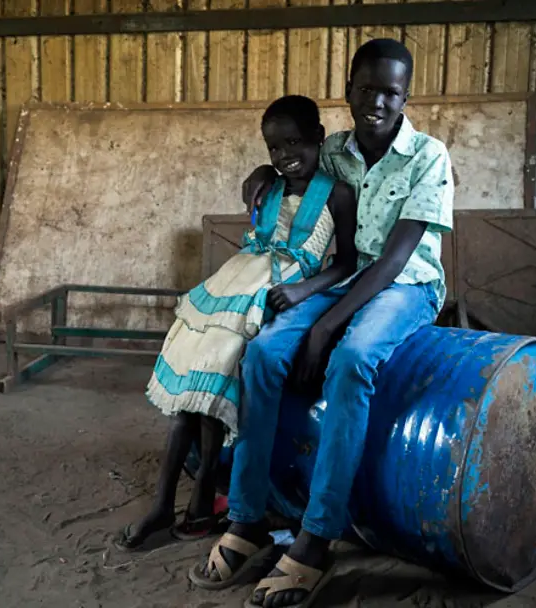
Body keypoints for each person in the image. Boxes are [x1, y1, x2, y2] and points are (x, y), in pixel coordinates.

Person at [188, 38, 454, 608]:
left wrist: (327, 325)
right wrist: (263, 168)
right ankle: (248, 515)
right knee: (261, 354)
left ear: (406, 95)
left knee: (355, 360)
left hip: (404, 285)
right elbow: (293, 162)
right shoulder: (335, 150)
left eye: (391, 91)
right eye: (367, 90)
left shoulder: (429, 156)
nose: (378, 102)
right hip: (339, 278)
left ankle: (318, 533)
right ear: (349, 92)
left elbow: (391, 261)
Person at [115, 95, 358, 551]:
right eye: (273, 149)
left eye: (296, 143)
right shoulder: (268, 186)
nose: (285, 156)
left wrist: (305, 290)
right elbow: (262, 211)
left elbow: (346, 261)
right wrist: (263, 175)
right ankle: (164, 505)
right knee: (192, 387)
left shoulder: (338, 194)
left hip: (277, 292)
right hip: (235, 285)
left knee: (219, 385)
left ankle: (202, 497)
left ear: (319, 139)